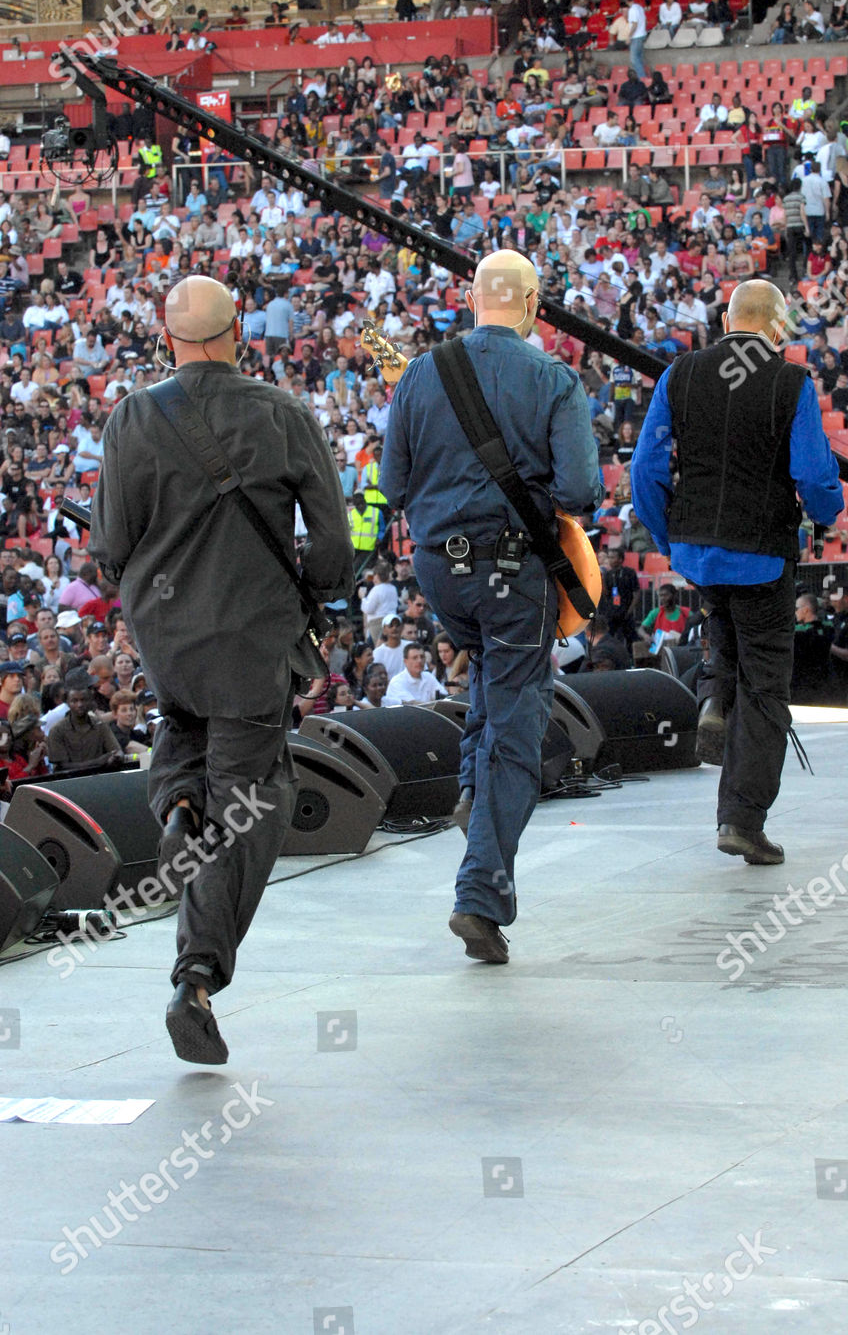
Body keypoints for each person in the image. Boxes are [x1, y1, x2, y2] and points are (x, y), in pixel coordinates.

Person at [89, 275, 352, 1066]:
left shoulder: (132, 416)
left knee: (184, 734)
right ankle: (195, 979)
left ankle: (175, 802)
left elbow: (110, 547)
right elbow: (332, 544)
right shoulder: (282, 413)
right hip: (252, 642)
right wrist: (317, 597)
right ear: (238, 331)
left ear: (168, 337)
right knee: (250, 801)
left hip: (167, 642)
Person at [379, 249, 601, 963]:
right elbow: (579, 491)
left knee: (487, 670)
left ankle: (474, 790)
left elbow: (392, 483)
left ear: (472, 300)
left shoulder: (421, 372)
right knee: (517, 720)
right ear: (533, 305)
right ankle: (480, 893)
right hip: (513, 572)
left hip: (441, 574)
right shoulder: (554, 379)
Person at [631, 280, 843, 865]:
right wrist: (827, 513)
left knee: (721, 623)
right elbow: (814, 475)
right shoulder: (790, 381)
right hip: (761, 553)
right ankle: (742, 820)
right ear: (776, 329)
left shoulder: (679, 374)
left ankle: (714, 697)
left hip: (697, 550)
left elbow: (645, 468)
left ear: (726, 322)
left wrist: (669, 537)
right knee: (766, 686)